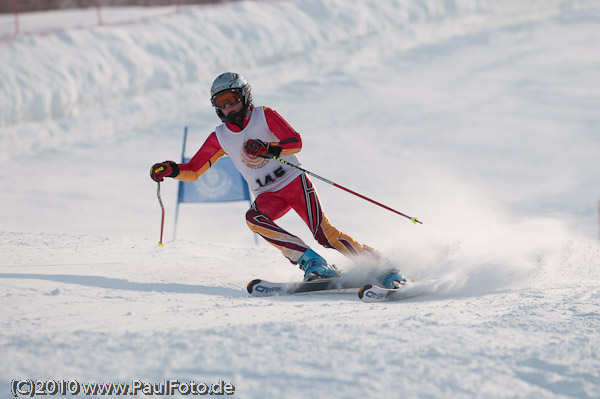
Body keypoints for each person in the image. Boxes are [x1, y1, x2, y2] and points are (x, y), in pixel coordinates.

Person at [150, 72, 406, 288]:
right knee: (254, 218)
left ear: (245, 96)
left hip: (294, 183)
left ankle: (381, 268)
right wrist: (171, 170)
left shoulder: (265, 116)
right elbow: (194, 170)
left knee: (324, 234)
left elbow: (296, 142)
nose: (228, 107)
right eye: (221, 102)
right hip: (268, 195)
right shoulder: (220, 136)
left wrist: (270, 148)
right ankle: (313, 262)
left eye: (232, 99)